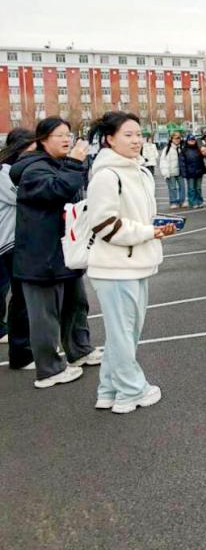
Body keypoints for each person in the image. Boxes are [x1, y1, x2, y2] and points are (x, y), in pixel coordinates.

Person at [86, 112, 175, 413]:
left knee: (123, 334)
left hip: (135, 262)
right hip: (114, 267)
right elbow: (105, 225)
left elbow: (138, 216)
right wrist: (148, 232)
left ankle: (109, 389)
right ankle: (130, 390)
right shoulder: (106, 175)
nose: (136, 140)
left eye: (139, 134)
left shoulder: (139, 171)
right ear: (110, 139)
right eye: (128, 134)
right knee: (124, 334)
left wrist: (156, 228)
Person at [11, 117, 101, 388]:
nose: (66, 140)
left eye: (68, 135)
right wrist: (74, 163)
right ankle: (49, 370)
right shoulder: (33, 169)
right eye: (59, 135)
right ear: (42, 139)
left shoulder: (57, 164)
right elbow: (57, 190)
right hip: (41, 256)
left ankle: (79, 350)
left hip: (65, 251)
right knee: (45, 316)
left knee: (76, 304)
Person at [0, 128, 35, 371]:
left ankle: (24, 344)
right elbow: (24, 197)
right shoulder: (4, 173)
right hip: (9, 243)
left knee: (22, 295)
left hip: (17, 241)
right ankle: (20, 351)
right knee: (20, 296)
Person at [179, 133, 206, 209]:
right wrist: (184, 173)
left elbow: (203, 161)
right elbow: (182, 163)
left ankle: (199, 201)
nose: (192, 141)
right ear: (187, 141)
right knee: (191, 189)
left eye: (193, 140)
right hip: (189, 173)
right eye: (190, 140)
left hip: (199, 172)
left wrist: (204, 170)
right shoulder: (184, 151)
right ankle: (192, 202)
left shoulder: (199, 149)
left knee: (198, 188)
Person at [159, 132, 185, 208]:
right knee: (172, 188)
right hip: (171, 172)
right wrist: (165, 172)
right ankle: (173, 202)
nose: (177, 140)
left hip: (180, 171)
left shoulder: (181, 148)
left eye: (179, 138)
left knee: (182, 187)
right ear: (172, 139)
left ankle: (182, 201)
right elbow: (163, 161)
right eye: (175, 138)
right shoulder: (167, 149)